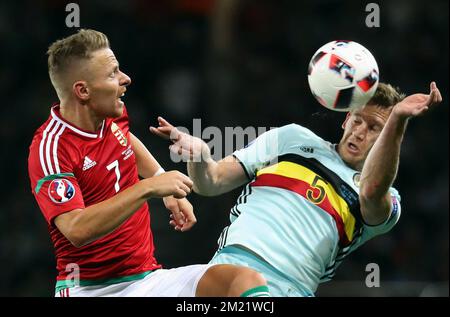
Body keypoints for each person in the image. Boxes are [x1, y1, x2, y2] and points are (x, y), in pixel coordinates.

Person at [27, 29, 270, 297]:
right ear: (83, 91)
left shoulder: (109, 114)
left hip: (147, 280)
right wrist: (150, 187)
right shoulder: (51, 149)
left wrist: (159, 176)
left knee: (242, 281)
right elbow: (76, 229)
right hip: (90, 290)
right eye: (112, 74)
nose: (125, 79)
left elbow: (124, 140)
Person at [151, 81, 443, 296]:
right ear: (345, 119)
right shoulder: (291, 139)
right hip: (225, 268)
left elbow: (371, 190)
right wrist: (200, 156)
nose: (360, 132)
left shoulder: (386, 199)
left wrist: (398, 119)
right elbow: (211, 182)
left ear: (389, 138)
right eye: (357, 120)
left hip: (286, 289)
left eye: (374, 128)